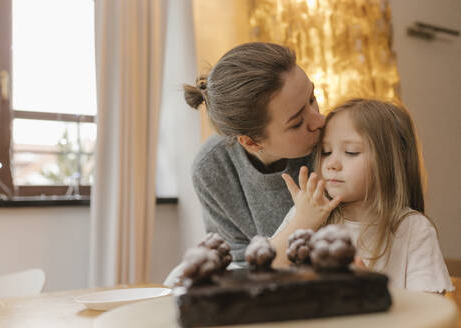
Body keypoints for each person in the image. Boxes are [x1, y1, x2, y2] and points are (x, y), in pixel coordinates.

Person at [281, 98, 454, 293]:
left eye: (351, 152)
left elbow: (429, 313)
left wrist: (369, 290)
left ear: (389, 162)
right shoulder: (306, 213)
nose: (331, 164)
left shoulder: (413, 229)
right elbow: (266, 270)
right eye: (326, 151)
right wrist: (302, 221)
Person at [183, 42, 325, 264]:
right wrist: (302, 222)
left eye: (312, 98)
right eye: (297, 123)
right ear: (250, 142)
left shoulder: (336, 143)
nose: (320, 120)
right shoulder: (212, 169)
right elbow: (237, 267)